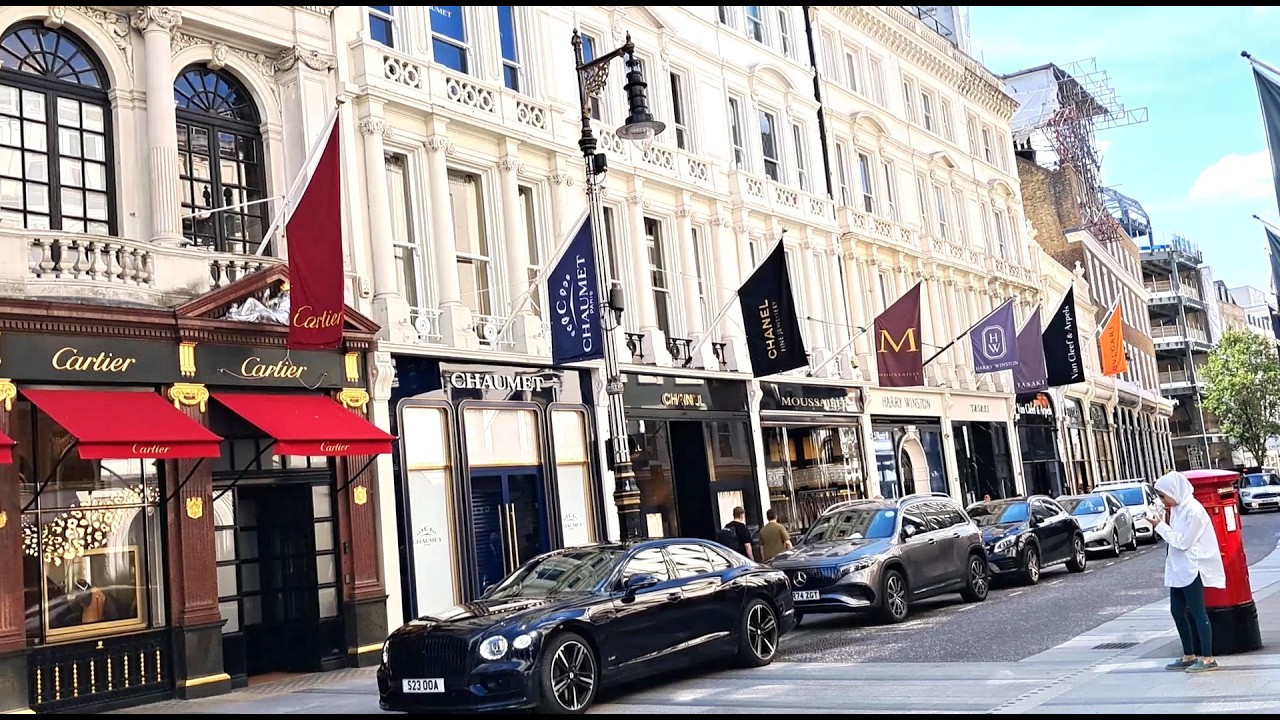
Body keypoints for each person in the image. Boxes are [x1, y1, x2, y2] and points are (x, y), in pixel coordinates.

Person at [1153, 471, 1225, 673]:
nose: (1162, 500)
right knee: (1177, 611)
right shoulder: (1177, 509)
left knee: (1197, 611)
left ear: (1174, 491)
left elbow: (1183, 542)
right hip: (1177, 567)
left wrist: (1160, 527)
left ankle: (1208, 658)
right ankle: (1189, 654)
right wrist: (1163, 523)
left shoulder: (1193, 511)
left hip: (1192, 566)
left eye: (1163, 495)